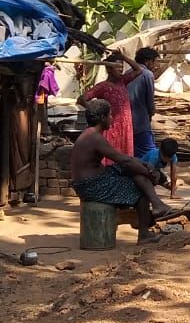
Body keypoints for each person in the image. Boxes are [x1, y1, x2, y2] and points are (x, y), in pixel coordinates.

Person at [70, 99, 176, 244]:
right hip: (91, 186)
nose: (112, 118)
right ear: (102, 118)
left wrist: (144, 165)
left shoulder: (89, 134)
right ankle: (145, 232)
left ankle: (157, 204)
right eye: (110, 115)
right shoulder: (95, 138)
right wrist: (149, 173)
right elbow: (123, 160)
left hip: (94, 178)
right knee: (139, 191)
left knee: (131, 168)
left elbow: (125, 160)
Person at [81, 61, 135, 160]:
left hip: (125, 127)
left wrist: (123, 57)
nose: (121, 69)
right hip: (111, 127)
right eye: (117, 66)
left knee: (125, 158)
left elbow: (139, 70)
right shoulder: (103, 86)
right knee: (111, 157)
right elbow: (81, 99)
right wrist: (95, 110)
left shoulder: (123, 81)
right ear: (109, 69)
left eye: (122, 66)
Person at [118, 48, 164, 160]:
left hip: (126, 120)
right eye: (154, 61)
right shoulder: (147, 74)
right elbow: (150, 99)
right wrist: (151, 112)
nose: (155, 65)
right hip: (141, 121)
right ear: (148, 61)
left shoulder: (127, 73)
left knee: (132, 152)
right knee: (150, 153)